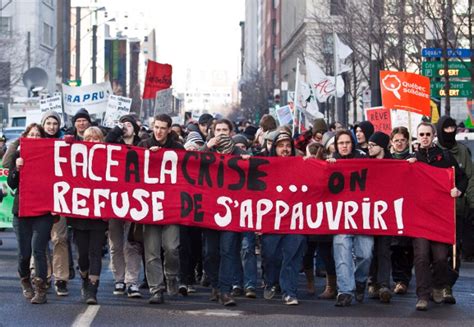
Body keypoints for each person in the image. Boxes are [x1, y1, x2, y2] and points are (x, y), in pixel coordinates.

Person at [408, 122, 467, 311]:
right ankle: (423, 295)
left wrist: (458, 190)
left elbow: (462, 177)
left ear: (433, 135)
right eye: (421, 134)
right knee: (421, 257)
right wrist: (407, 167)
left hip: (439, 217)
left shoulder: (445, 157)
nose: (424, 137)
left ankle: (438, 285)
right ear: (417, 136)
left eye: (427, 134)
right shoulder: (413, 159)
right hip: (419, 217)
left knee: (441, 258)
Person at [138, 114, 184, 304]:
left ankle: (171, 275)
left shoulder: (177, 148)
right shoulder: (144, 145)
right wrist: (147, 156)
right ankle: (156, 289)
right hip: (149, 207)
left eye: (163, 128)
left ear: (169, 130)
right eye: (156, 127)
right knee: (151, 251)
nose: (158, 131)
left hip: (171, 207)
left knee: (172, 247)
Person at [8, 123, 53, 304]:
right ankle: (25, 280)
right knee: (24, 253)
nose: (34, 138)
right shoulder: (18, 156)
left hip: (43, 211)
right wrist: (17, 169)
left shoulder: (49, 157)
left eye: (37, 135)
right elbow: (11, 183)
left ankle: (40, 289)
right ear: (25, 137)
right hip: (22, 211)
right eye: (31, 135)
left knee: (38, 250)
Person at [262, 131, 306, 305]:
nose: (285, 149)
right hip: (271, 218)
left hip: (295, 218)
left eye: (288, 146)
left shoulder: (302, 165)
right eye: (281, 146)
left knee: (292, 256)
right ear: (275, 148)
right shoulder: (264, 166)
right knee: (271, 255)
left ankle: (289, 291)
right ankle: (271, 282)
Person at [327, 130, 371, 307]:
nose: (344, 146)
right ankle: (344, 291)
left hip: (363, 217)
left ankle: (360, 282)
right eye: (341, 143)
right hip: (340, 217)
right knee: (342, 255)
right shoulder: (331, 162)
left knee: (365, 255)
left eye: (347, 142)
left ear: (352, 143)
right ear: (336, 145)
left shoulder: (364, 160)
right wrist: (324, 166)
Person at [67, 127, 108, 305]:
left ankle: (93, 289)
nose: (92, 142)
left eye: (96, 139)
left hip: (98, 215)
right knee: (82, 255)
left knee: (95, 253)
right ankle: (84, 278)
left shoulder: (108, 159)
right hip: (80, 215)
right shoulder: (74, 160)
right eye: (88, 139)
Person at [105, 115, 144, 298]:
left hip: (135, 200)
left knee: (132, 244)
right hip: (114, 199)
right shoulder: (114, 143)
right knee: (115, 244)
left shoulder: (142, 144)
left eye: (128, 124)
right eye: (122, 124)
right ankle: (119, 279)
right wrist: (115, 132)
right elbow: (103, 147)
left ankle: (132, 282)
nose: (125, 127)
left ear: (135, 128)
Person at [41, 111, 70, 297]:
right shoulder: (32, 142)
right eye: (48, 123)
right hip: (40, 199)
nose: (51, 127)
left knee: (59, 239)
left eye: (54, 123)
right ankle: (43, 275)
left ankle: (61, 278)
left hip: (60, 198)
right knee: (40, 240)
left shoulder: (66, 143)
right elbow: (7, 162)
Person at [303, 142, 337, 300]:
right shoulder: (305, 166)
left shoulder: (328, 167)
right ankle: (317, 284)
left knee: (320, 252)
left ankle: (329, 286)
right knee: (315, 252)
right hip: (310, 216)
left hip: (321, 216)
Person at [366, 132, 393, 303]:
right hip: (368, 213)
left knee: (383, 249)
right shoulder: (365, 163)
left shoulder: (394, 165)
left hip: (386, 214)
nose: (369, 148)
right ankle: (372, 280)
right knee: (369, 250)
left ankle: (383, 284)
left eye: (372, 145)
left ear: (381, 146)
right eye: (368, 145)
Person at [389, 127, 414, 295]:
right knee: (395, 246)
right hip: (391, 208)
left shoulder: (414, 159)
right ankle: (399, 279)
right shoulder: (388, 160)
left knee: (408, 246)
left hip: (410, 207)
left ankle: (404, 278)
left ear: (407, 142)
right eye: (396, 140)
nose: (399, 143)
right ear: (392, 142)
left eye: (402, 140)